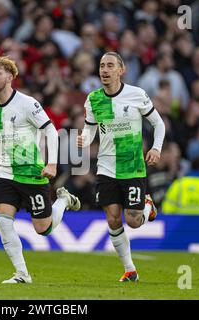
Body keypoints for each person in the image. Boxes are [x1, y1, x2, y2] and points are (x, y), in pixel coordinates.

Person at [0, 55, 81, 284]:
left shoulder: (27, 103)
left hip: (32, 173)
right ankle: (22, 274)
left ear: (10, 77)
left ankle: (63, 201)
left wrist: (51, 163)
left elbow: (50, 130)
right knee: (3, 220)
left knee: (43, 229)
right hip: (6, 173)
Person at [77, 52, 165, 282]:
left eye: (110, 65)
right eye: (101, 66)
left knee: (133, 220)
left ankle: (147, 206)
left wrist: (156, 148)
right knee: (113, 218)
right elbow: (90, 129)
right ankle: (130, 269)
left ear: (121, 70)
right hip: (106, 167)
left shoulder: (136, 95)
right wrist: (84, 139)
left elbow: (158, 124)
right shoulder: (93, 99)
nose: (104, 70)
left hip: (133, 166)